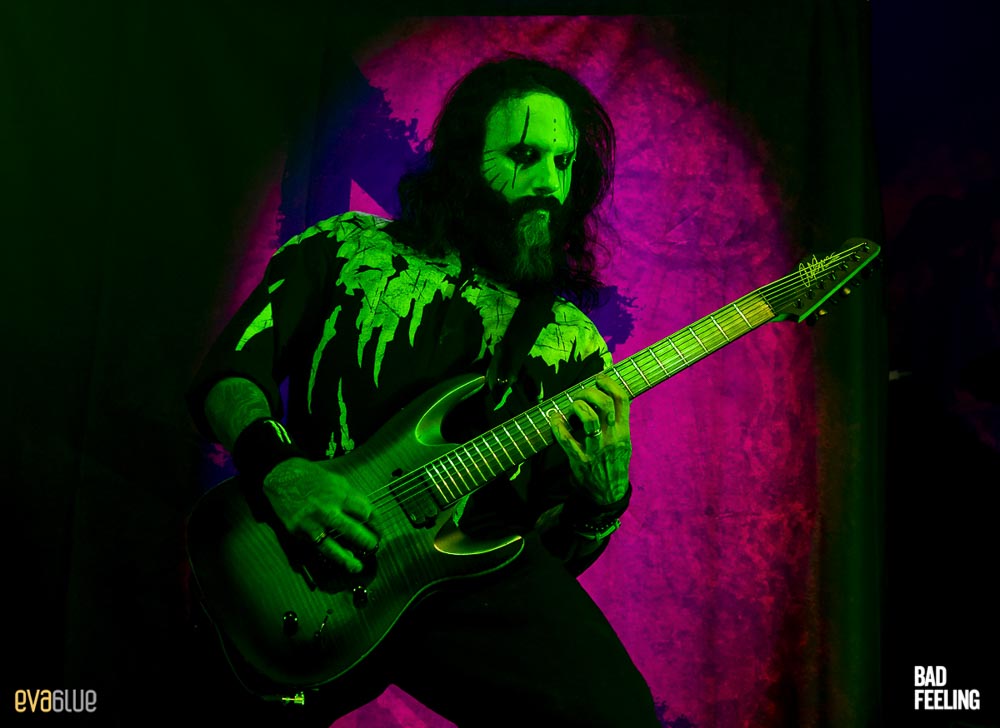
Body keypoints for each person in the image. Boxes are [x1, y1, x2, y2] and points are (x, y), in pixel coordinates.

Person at [186, 56, 659, 727]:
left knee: (615, 715)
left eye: (564, 163)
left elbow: (555, 556)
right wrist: (283, 473)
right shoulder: (349, 249)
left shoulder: (572, 345)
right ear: (464, 162)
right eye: (525, 156)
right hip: (305, 560)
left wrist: (601, 501)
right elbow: (229, 373)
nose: (550, 186)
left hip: (460, 588)